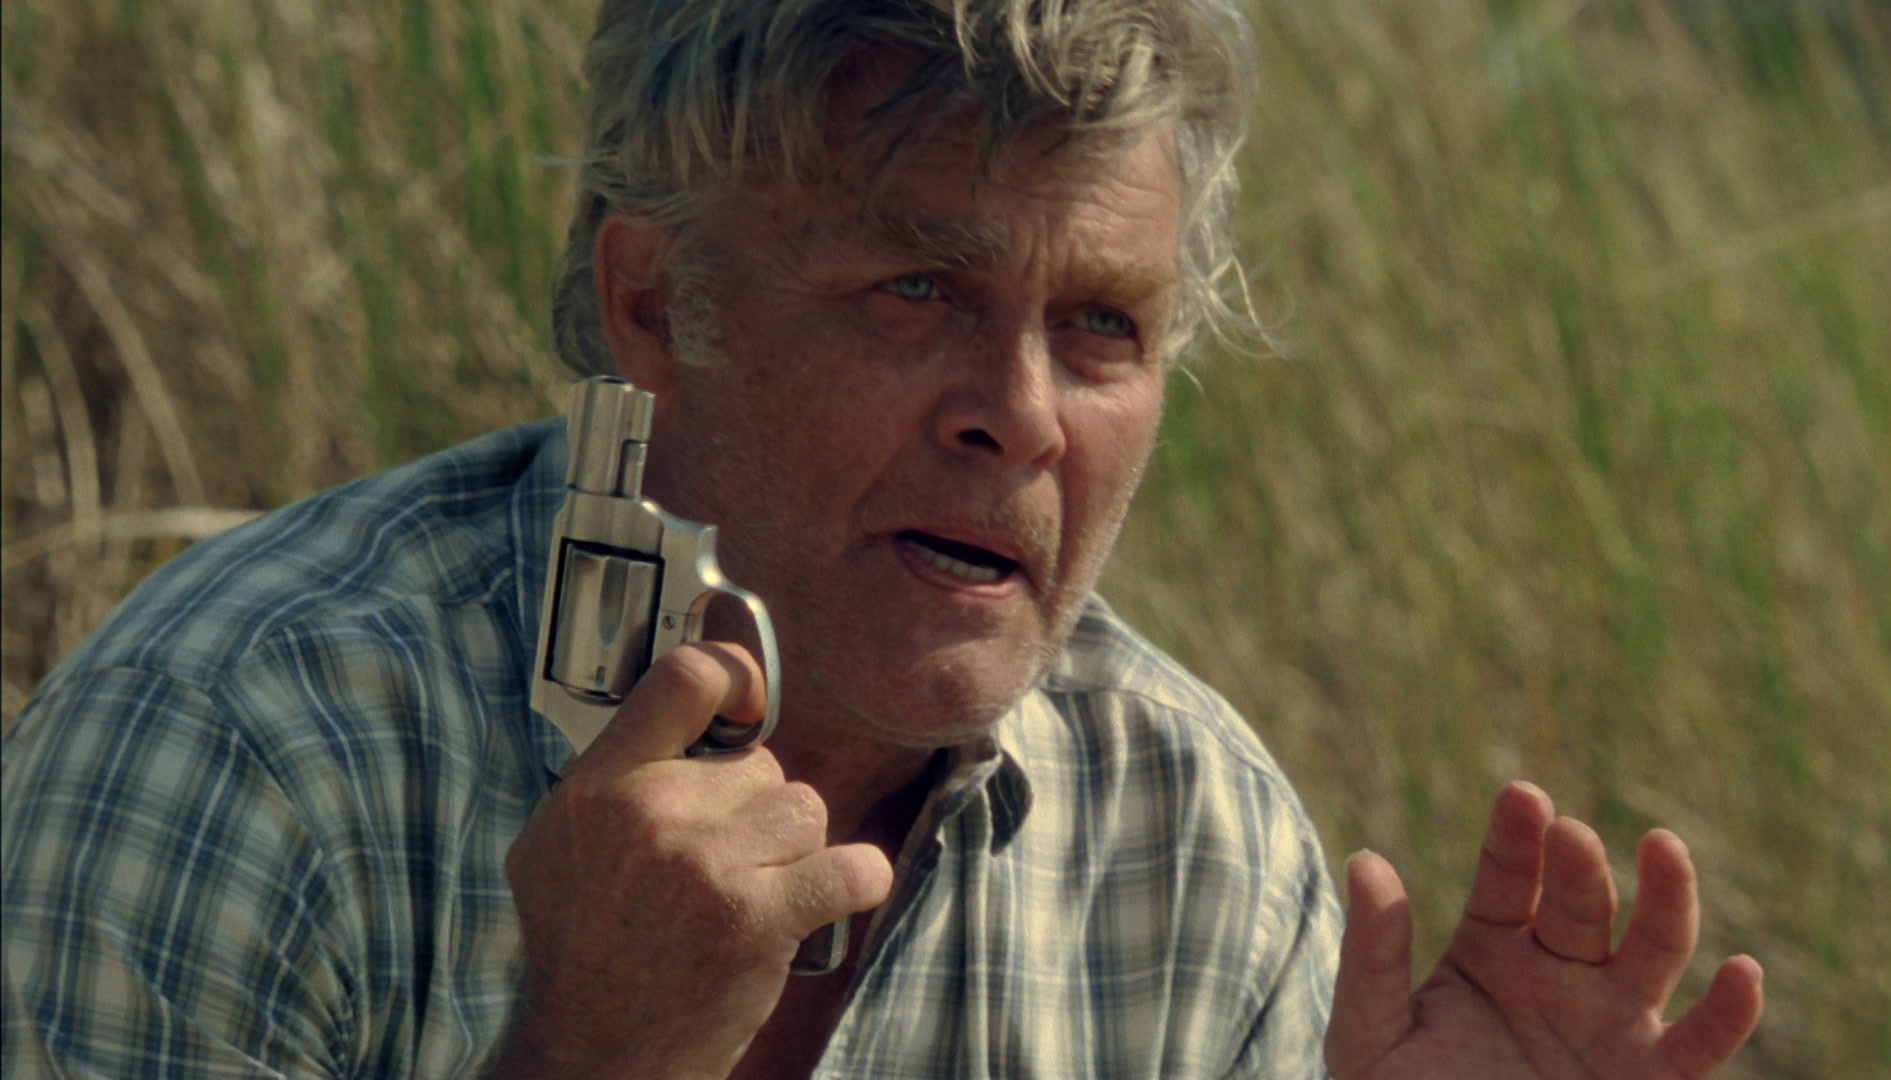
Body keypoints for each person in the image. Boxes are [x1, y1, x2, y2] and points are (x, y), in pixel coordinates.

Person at [2, 1, 1765, 1077]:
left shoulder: (1199, 855)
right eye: (918, 289)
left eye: (1102, 326)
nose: (1021, 416)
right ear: (654, 300)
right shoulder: (247, 745)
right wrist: (593, 1059)